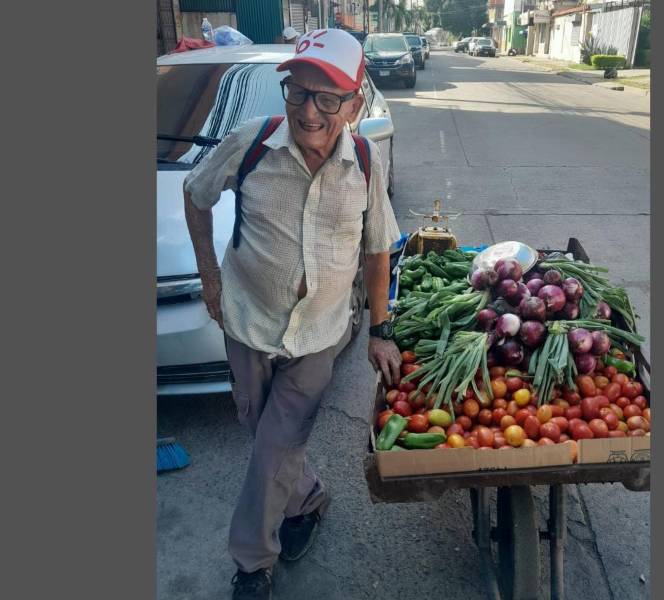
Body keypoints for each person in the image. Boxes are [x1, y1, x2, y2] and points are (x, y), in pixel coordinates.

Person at [182, 28, 402, 600]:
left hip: (320, 335)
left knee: (276, 444)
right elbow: (195, 191)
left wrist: (381, 330)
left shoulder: (366, 163)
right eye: (298, 93)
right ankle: (307, 499)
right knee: (262, 433)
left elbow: (377, 249)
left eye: (328, 99)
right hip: (248, 323)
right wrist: (209, 276)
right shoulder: (253, 143)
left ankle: (252, 563)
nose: (310, 111)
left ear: (355, 105)